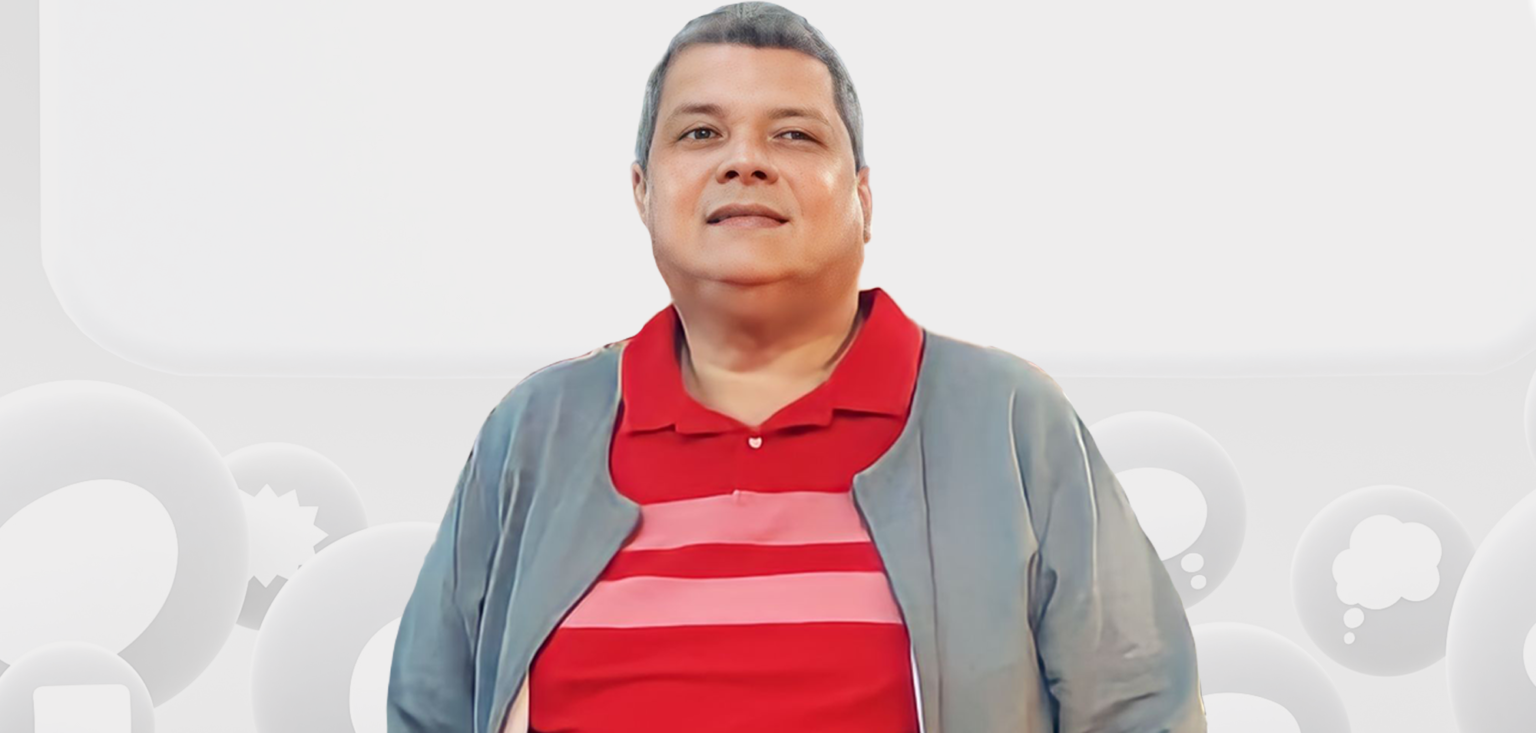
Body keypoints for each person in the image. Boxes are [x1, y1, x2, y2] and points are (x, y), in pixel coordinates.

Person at [387, 3, 1206, 732]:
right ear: (642, 191)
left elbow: (1141, 706)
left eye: (794, 134)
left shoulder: (1008, 421)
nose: (744, 161)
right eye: (700, 133)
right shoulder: (533, 432)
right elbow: (429, 708)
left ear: (864, 198)